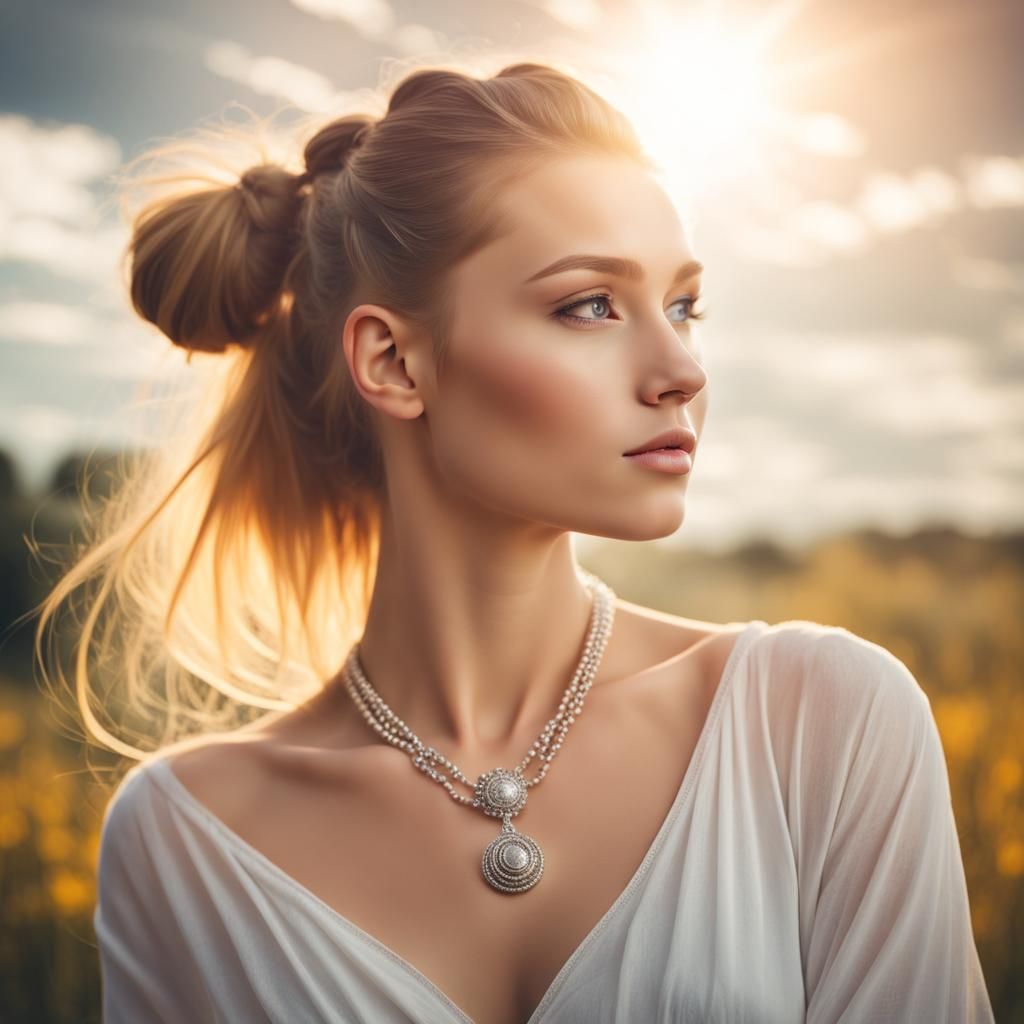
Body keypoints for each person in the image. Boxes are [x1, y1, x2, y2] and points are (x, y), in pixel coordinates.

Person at [38, 60, 994, 1023]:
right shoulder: (185, 841)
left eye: (683, 307)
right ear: (394, 360)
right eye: (590, 305)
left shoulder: (822, 725)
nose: (679, 371)